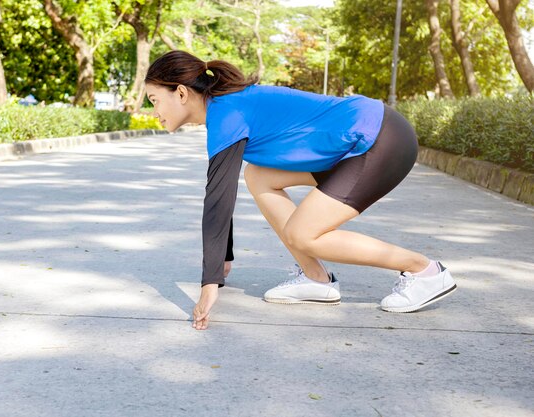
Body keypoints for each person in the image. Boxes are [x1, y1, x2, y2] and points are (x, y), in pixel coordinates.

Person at [144, 50, 457, 331]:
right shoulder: (226, 109)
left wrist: (209, 283)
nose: (154, 110)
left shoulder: (227, 114)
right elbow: (221, 191)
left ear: (181, 92)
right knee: (259, 176)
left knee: (303, 233)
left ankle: (425, 271)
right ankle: (315, 279)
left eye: (155, 99)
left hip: (379, 140)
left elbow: (217, 201)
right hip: (361, 141)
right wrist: (222, 259)